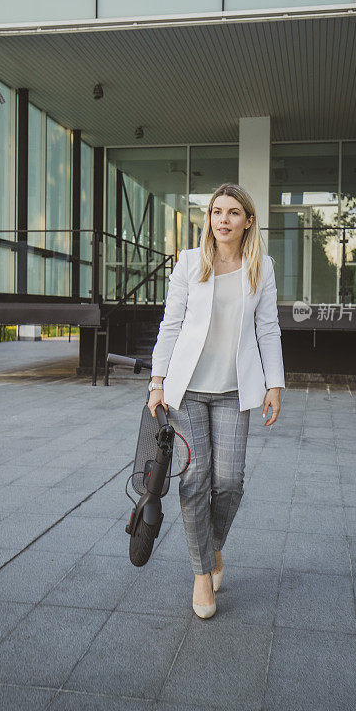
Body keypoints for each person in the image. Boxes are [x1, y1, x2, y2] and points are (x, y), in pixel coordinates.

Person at [148, 183, 285, 619]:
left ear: (247, 221)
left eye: (232, 212)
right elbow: (170, 326)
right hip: (186, 391)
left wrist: (274, 384)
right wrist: (157, 382)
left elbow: (269, 329)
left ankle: (213, 546)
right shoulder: (190, 262)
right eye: (215, 212)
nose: (222, 220)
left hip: (234, 391)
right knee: (195, 479)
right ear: (208, 219)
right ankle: (202, 573)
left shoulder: (261, 267)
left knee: (230, 482)